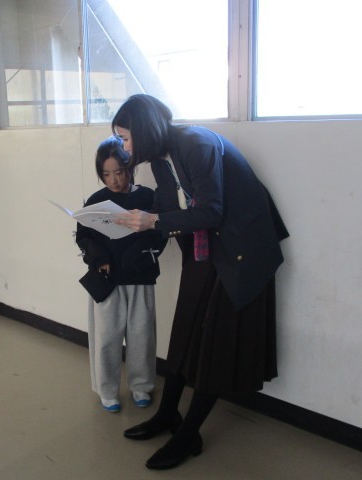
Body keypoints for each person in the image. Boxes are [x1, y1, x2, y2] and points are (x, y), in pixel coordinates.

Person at [112, 94, 289, 470]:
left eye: (125, 138)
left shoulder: (197, 143)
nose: (124, 147)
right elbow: (166, 208)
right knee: (185, 329)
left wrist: (153, 221)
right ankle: (167, 415)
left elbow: (211, 210)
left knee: (216, 344)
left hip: (244, 249)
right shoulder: (161, 158)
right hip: (209, 245)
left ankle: (188, 435)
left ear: (144, 130)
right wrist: (126, 220)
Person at [76, 136, 166, 413]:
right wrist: (100, 259)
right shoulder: (96, 201)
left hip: (140, 277)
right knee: (107, 338)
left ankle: (141, 386)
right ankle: (108, 390)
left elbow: (160, 233)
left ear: (130, 168)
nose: (114, 180)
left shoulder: (147, 197)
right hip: (108, 280)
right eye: (106, 174)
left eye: (118, 172)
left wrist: (141, 255)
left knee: (142, 336)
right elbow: (84, 237)